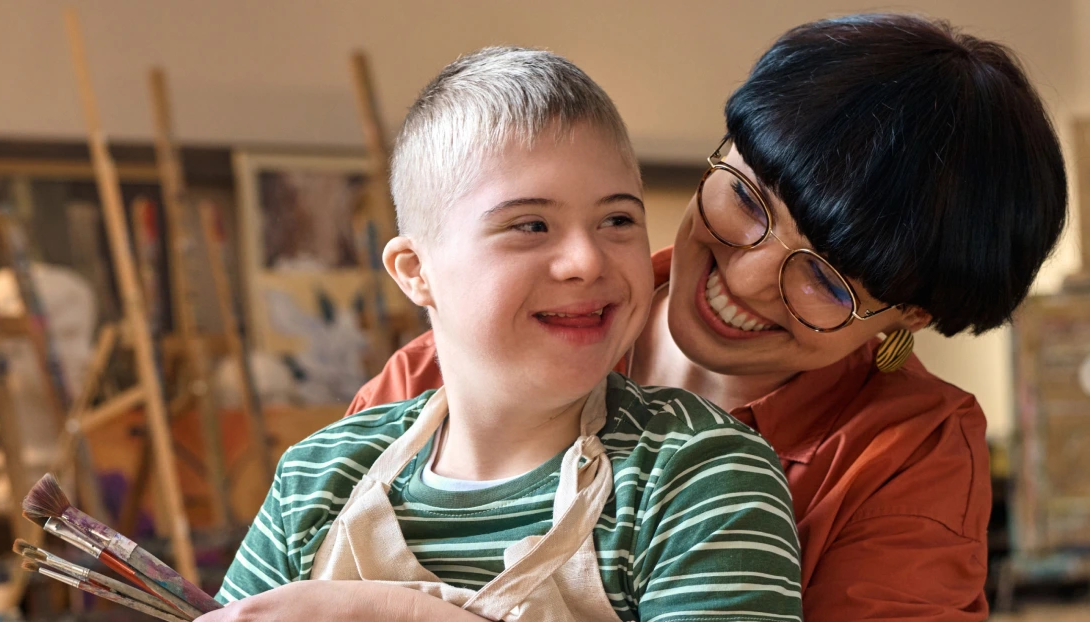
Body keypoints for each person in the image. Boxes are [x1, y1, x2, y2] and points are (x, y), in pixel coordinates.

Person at [341, 14, 1069, 621]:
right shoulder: (441, 375)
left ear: (907, 313)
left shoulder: (907, 460)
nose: (748, 278)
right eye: (748, 200)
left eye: (824, 276)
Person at [209, 47, 802, 621]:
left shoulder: (700, 474)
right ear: (416, 272)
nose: (585, 260)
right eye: (531, 225)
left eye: (617, 220)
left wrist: (390, 611)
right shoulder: (316, 478)